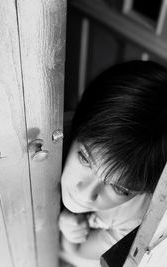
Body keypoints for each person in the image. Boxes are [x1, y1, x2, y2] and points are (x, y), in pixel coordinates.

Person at [59, 60, 167, 267]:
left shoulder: (137, 218)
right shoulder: (56, 135)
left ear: (145, 190)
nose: (86, 193)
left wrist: (70, 233)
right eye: (85, 158)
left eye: (120, 188)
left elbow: (80, 251)